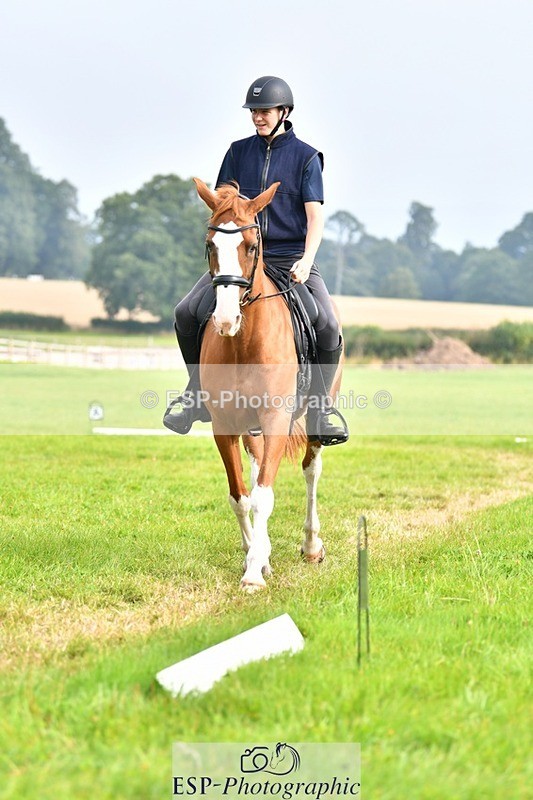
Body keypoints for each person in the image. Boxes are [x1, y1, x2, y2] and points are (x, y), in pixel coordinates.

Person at [164, 75, 348, 445]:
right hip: (240, 262)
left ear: (284, 111)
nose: (258, 118)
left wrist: (307, 259)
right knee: (186, 312)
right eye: (254, 112)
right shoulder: (237, 152)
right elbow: (220, 205)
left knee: (326, 323)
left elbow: (315, 217)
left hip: (288, 260)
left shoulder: (307, 158)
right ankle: (195, 391)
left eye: (264, 111)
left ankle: (320, 409)